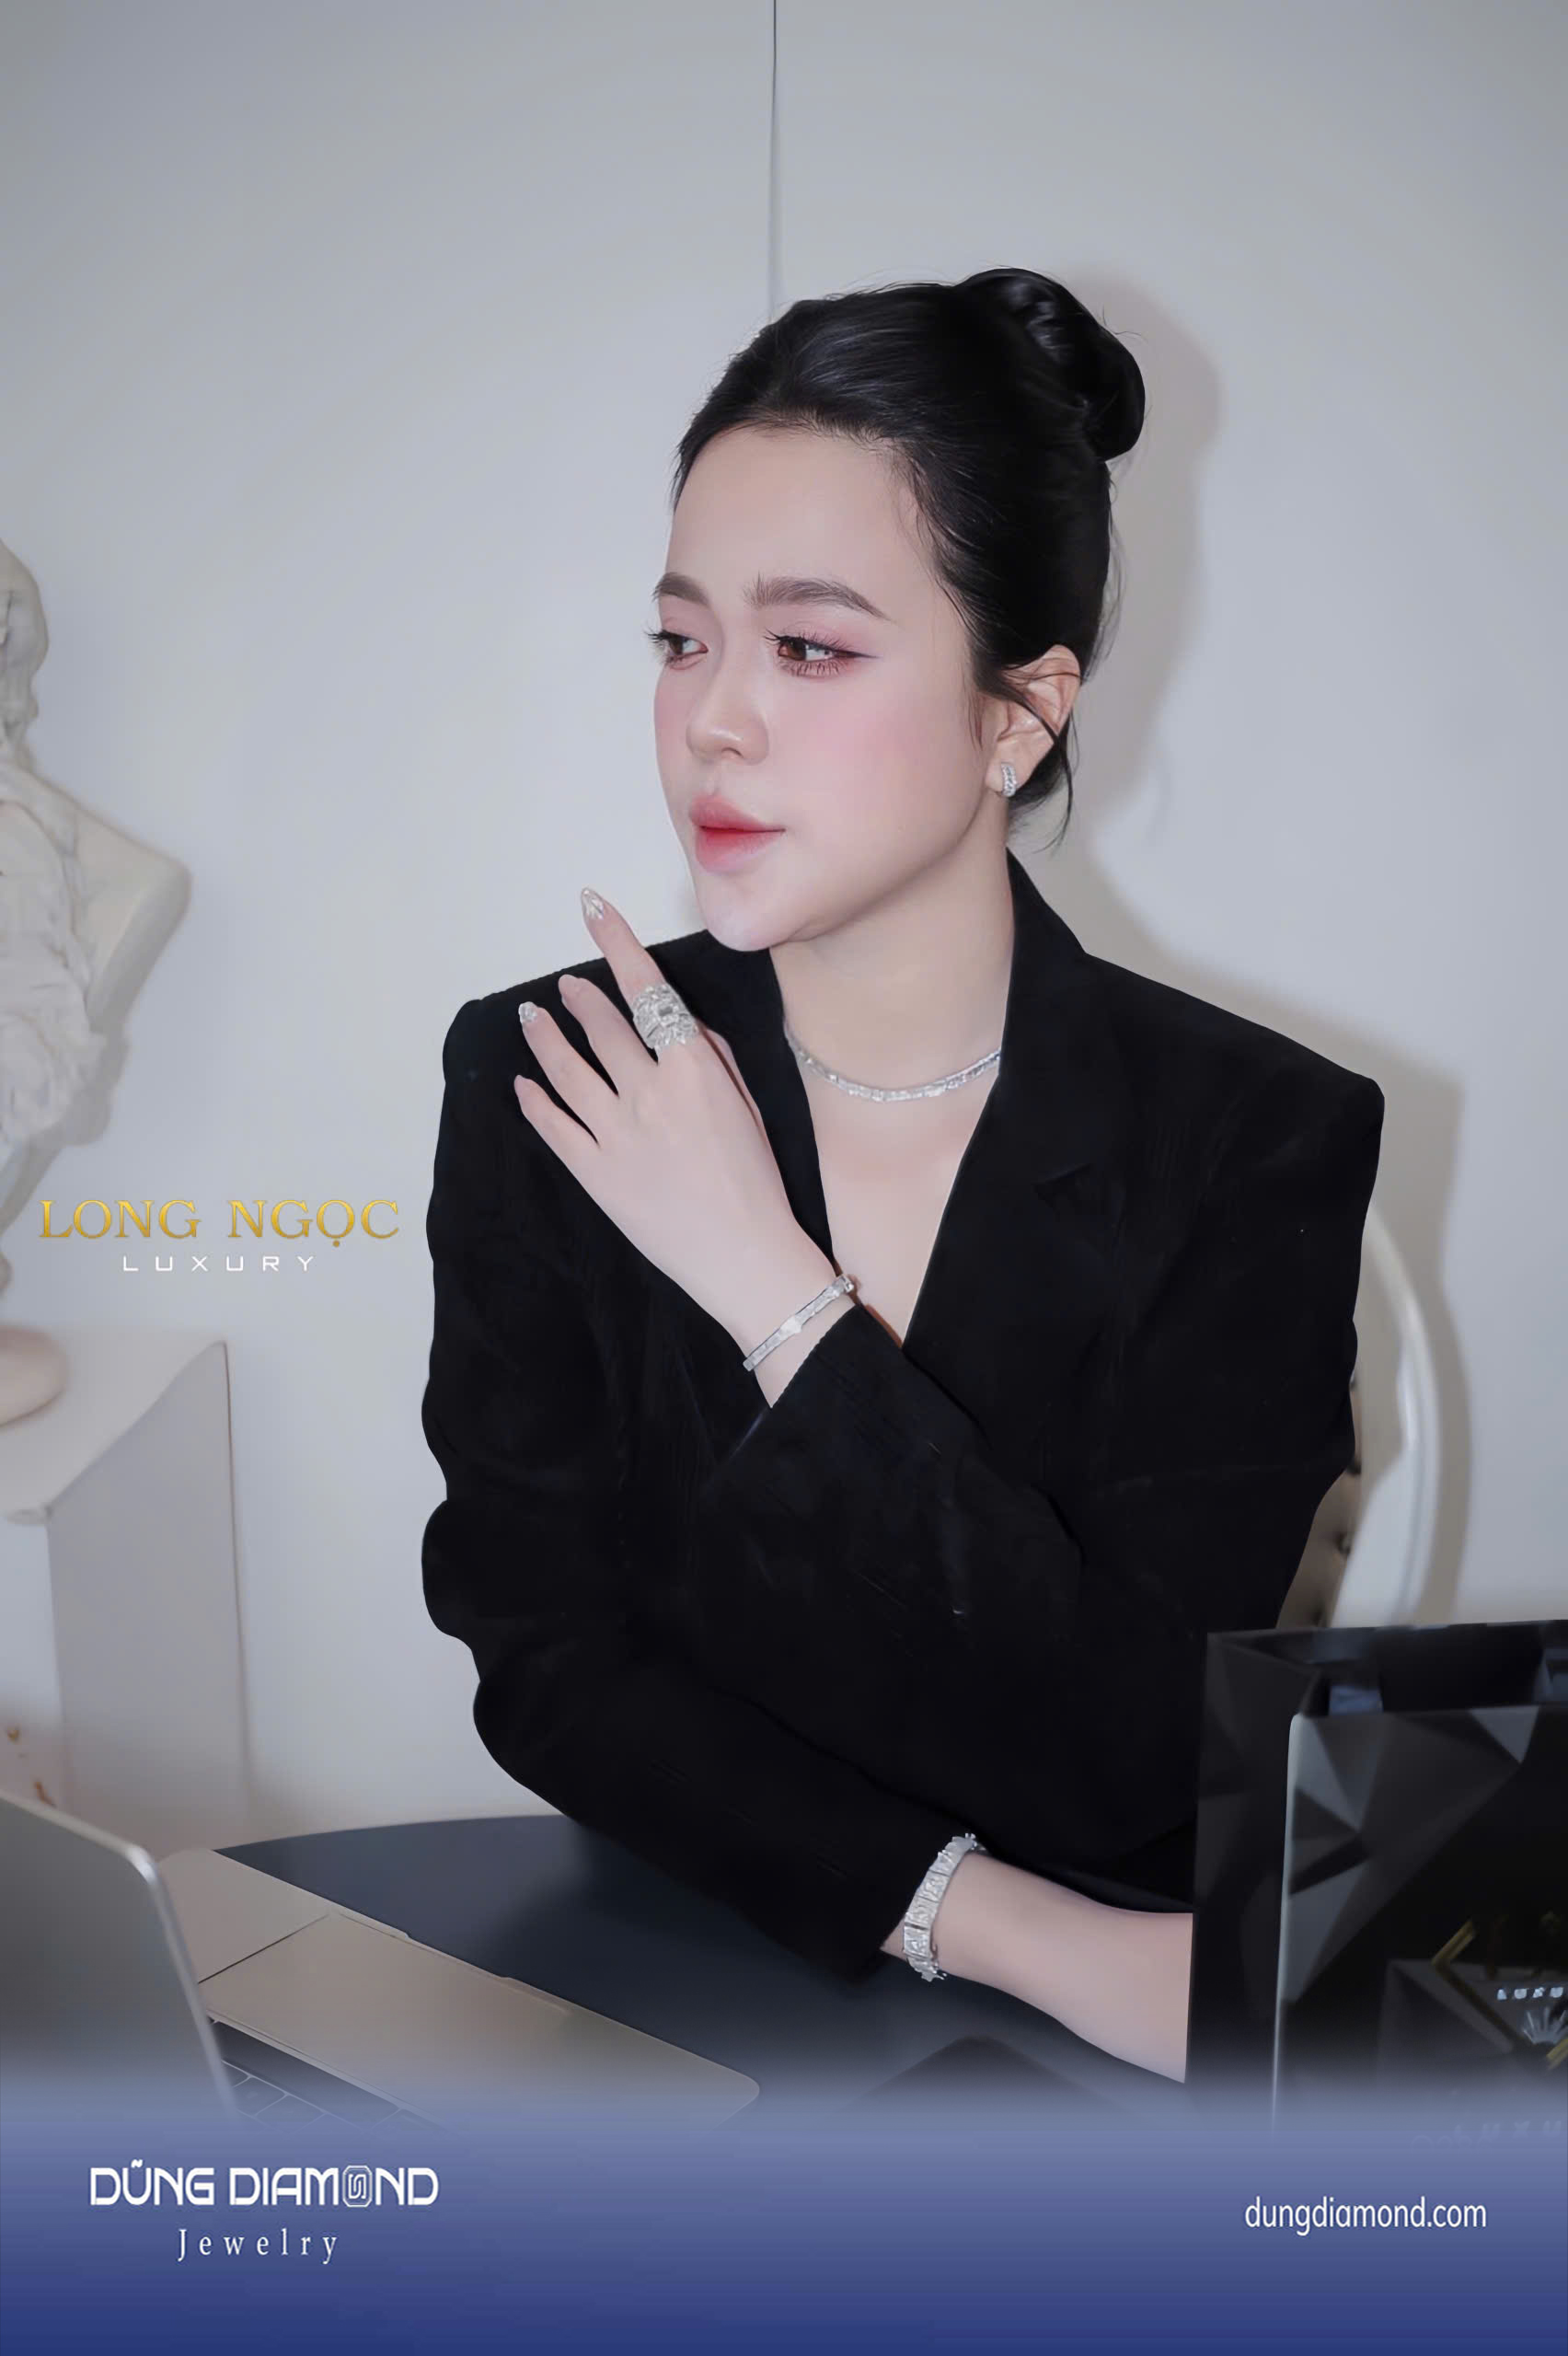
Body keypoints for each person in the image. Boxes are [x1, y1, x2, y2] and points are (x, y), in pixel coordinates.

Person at [421, 269, 1384, 2084]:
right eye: (680, 639)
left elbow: (1123, 1755)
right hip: (701, 1961)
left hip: (1090, 2070)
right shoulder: (552, 1071)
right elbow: (544, 1661)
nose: (712, 721)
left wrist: (776, 1294)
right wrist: (999, 1922)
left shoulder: (1256, 1139)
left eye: (808, 647)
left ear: (1021, 712)